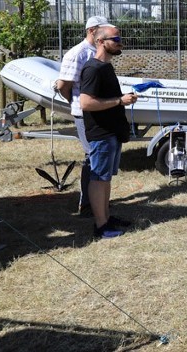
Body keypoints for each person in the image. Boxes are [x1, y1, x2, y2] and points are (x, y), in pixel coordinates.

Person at [79, 25, 138, 239]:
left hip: (112, 132)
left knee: (105, 178)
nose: (120, 42)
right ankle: (101, 225)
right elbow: (85, 103)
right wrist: (119, 101)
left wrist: (122, 99)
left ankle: (106, 217)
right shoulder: (93, 69)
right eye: (116, 39)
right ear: (102, 41)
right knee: (98, 177)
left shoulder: (106, 67)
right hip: (101, 133)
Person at [56, 15, 109, 216]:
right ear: (92, 30)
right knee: (92, 156)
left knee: (97, 155)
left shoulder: (98, 50)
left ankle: (96, 201)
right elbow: (63, 85)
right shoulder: (77, 53)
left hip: (98, 111)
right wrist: (76, 104)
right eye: (102, 29)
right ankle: (87, 204)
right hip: (84, 113)